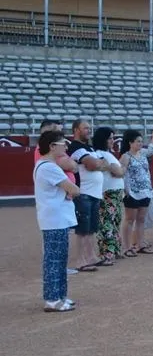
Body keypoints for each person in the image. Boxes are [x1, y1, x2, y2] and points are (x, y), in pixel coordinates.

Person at [34, 131, 80, 312]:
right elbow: (74, 189)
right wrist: (71, 190)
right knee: (55, 260)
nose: (66, 147)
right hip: (55, 219)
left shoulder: (45, 165)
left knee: (59, 260)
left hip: (56, 218)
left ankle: (59, 296)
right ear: (52, 146)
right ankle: (53, 299)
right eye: (63, 143)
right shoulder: (48, 167)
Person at [67, 119, 108, 272]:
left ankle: (91, 257)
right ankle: (80, 260)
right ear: (76, 130)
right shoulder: (76, 147)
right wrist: (98, 164)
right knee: (83, 229)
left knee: (91, 228)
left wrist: (98, 164)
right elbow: (94, 164)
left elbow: (102, 165)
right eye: (85, 128)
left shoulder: (88, 148)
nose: (88, 131)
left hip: (93, 193)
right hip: (83, 192)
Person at [120, 128, 153, 257]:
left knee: (141, 219)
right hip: (132, 192)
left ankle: (140, 244)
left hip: (145, 191)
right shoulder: (125, 157)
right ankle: (127, 247)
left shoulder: (142, 153)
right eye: (138, 141)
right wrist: (125, 190)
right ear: (130, 143)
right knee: (129, 219)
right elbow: (122, 174)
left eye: (141, 141)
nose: (140, 144)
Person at [93, 127, 124, 266]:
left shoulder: (107, 154)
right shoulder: (99, 154)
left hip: (115, 191)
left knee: (114, 221)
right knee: (108, 222)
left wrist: (116, 169)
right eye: (110, 138)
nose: (113, 140)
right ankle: (108, 254)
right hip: (108, 192)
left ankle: (114, 250)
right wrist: (117, 169)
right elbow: (119, 171)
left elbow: (119, 171)